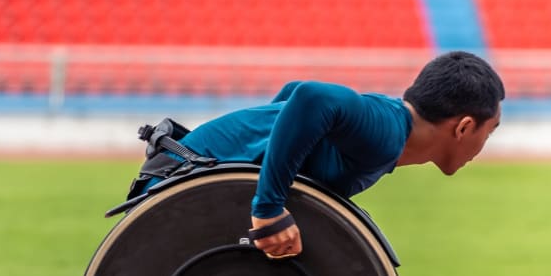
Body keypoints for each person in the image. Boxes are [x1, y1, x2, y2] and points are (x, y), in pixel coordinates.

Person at [135, 50, 504, 258]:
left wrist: (266, 152)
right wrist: (266, 207)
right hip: (175, 184)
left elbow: (293, 93)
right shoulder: (387, 131)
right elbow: (312, 96)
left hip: (180, 174)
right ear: (464, 127)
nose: (484, 145)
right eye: (491, 131)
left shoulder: (389, 128)